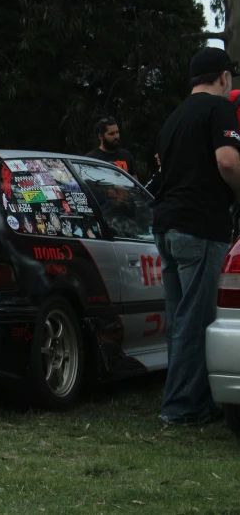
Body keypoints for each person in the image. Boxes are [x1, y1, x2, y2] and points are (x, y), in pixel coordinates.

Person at [153, 46, 240, 427]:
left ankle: (182, 398)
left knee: (179, 318)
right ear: (223, 77)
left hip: (166, 226)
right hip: (200, 226)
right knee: (197, 318)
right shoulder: (219, 109)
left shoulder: (173, 118)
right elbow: (227, 161)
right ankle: (183, 407)